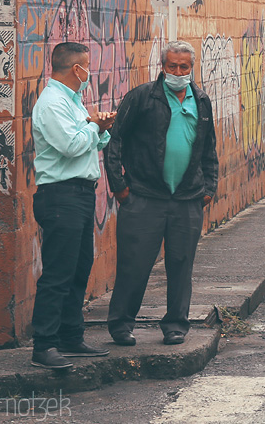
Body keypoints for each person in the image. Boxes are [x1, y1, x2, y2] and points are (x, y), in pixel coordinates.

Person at [104, 41, 218, 347]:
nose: (178, 72)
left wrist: (209, 188)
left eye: (184, 67)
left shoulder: (202, 100)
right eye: (172, 66)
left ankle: (176, 325)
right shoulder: (142, 97)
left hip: (187, 199)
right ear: (162, 66)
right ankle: (121, 325)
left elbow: (209, 149)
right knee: (135, 264)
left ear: (191, 68)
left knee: (181, 265)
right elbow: (115, 142)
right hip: (143, 197)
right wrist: (120, 188)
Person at [29, 42, 116, 370]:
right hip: (60, 196)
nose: (89, 72)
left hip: (80, 194)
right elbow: (70, 145)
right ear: (75, 68)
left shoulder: (73, 100)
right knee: (58, 272)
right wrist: (94, 127)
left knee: (78, 269)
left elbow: (88, 141)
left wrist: (100, 129)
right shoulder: (52, 103)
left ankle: (70, 336)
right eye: (86, 66)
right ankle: (44, 345)